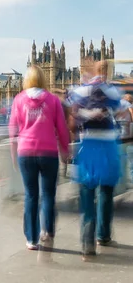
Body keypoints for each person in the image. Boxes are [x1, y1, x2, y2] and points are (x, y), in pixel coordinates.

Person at [8, 65, 70, 252]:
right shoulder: (52, 99)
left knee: (31, 195)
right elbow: (61, 127)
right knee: (49, 194)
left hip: (26, 153)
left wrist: (13, 153)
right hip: (48, 152)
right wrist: (65, 149)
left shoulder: (19, 99)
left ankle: (31, 239)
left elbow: (13, 130)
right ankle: (47, 230)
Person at [68, 61, 125, 260]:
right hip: (108, 147)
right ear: (108, 71)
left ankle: (87, 244)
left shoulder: (80, 91)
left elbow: (73, 120)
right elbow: (119, 111)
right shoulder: (112, 91)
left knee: (87, 194)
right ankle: (103, 235)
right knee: (106, 192)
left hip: (88, 147)